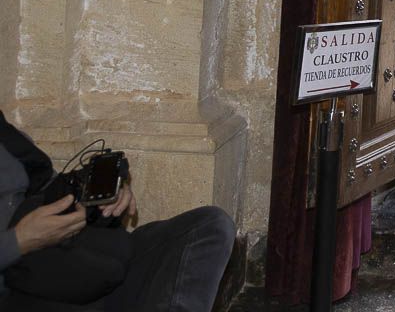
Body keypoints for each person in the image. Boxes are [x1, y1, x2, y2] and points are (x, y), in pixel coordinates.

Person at [0, 111, 234, 311]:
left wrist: (99, 197)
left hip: (76, 259)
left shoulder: (6, 137)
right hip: (20, 285)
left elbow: (47, 187)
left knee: (209, 227)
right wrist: (19, 241)